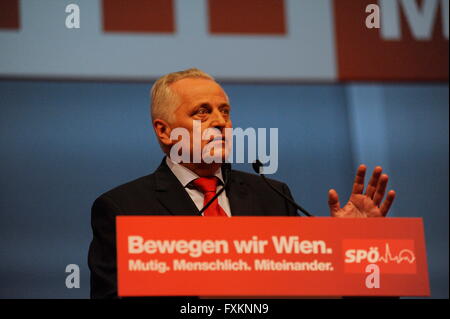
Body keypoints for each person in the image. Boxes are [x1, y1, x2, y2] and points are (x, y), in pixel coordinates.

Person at [88, 68, 396, 299]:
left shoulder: (273, 196)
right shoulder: (124, 209)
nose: (221, 122)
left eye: (225, 111)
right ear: (164, 131)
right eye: (202, 112)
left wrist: (358, 250)